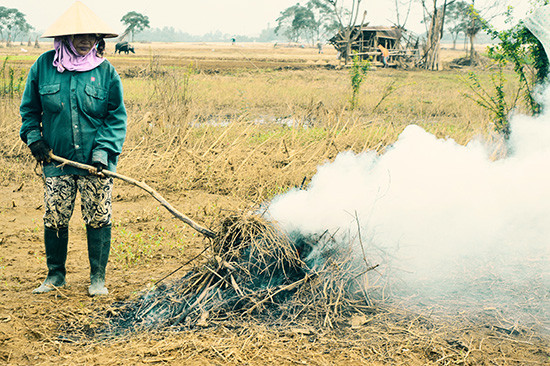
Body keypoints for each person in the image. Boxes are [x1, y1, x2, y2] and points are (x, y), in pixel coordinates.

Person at [19, 1, 127, 296]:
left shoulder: (106, 73)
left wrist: (103, 153)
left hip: (96, 163)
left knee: (98, 215)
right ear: (65, 36)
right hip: (57, 161)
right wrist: (34, 139)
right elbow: (29, 110)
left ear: (98, 39)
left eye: (91, 35)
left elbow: (116, 117)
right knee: (55, 216)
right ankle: (55, 276)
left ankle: (97, 279)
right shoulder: (43, 66)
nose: (85, 40)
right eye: (79, 35)